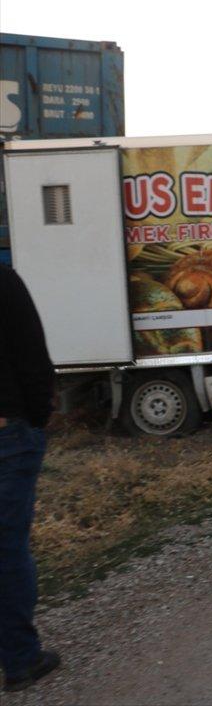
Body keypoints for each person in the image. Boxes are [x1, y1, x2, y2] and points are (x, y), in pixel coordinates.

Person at [1, 264, 60, 692]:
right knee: (7, 550)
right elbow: (34, 359)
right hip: (8, 433)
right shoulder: (3, 281)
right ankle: (20, 660)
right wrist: (36, 420)